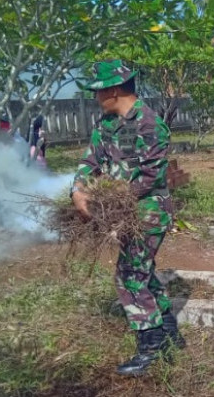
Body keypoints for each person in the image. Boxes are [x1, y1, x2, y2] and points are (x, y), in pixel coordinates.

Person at [70, 59, 184, 377]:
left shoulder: (150, 124)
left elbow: (149, 178)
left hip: (148, 212)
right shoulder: (106, 124)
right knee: (143, 274)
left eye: (99, 91)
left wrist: (112, 203)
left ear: (115, 90)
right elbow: (90, 159)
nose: (95, 97)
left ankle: (149, 350)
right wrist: (78, 190)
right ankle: (168, 337)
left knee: (129, 276)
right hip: (123, 212)